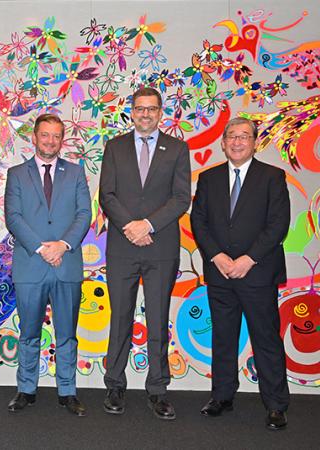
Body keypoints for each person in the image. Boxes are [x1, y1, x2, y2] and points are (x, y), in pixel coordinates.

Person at [190, 117, 291, 430]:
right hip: (220, 273)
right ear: (222, 142)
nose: (236, 142)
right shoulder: (208, 178)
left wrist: (248, 259)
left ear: (254, 142)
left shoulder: (273, 177)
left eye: (244, 136)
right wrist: (218, 256)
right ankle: (222, 396)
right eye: (231, 136)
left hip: (257, 273)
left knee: (266, 338)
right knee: (222, 336)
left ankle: (275, 404)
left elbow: (278, 225)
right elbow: (199, 222)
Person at [98, 87, 191, 420]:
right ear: (131, 112)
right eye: (140, 109)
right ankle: (115, 384)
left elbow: (181, 198)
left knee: (157, 319)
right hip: (123, 247)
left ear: (160, 112)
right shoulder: (115, 147)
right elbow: (106, 195)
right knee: (120, 316)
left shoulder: (177, 149)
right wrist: (131, 227)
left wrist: (147, 225)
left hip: (161, 246)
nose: (146, 114)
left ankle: (158, 389)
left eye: (152, 109)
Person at [4, 114, 91, 415]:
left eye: (56, 136)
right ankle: (26, 389)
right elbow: (13, 217)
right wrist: (42, 248)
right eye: (45, 135)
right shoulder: (17, 174)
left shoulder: (76, 173)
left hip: (66, 264)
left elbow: (84, 214)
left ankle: (67, 392)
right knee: (29, 332)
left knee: (67, 333)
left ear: (62, 139)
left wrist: (63, 245)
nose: (50, 141)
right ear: (35, 137)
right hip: (30, 265)